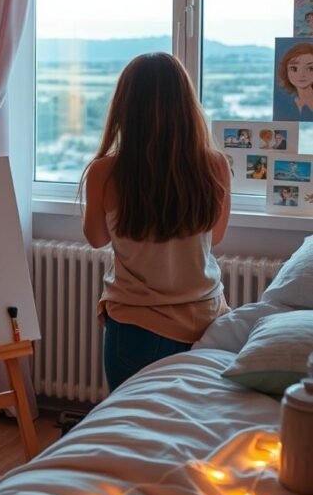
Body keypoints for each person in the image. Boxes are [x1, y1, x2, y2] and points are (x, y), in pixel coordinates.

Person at [81, 52, 231, 392]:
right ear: (186, 105)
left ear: (125, 106)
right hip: (207, 320)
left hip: (137, 325)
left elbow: (95, 238)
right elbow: (216, 238)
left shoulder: (105, 171)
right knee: (194, 429)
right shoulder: (215, 165)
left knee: (132, 432)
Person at [276, 42, 313, 120]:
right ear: (286, 71)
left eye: (310, 68)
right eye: (294, 69)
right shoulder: (287, 106)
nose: (302, 74)